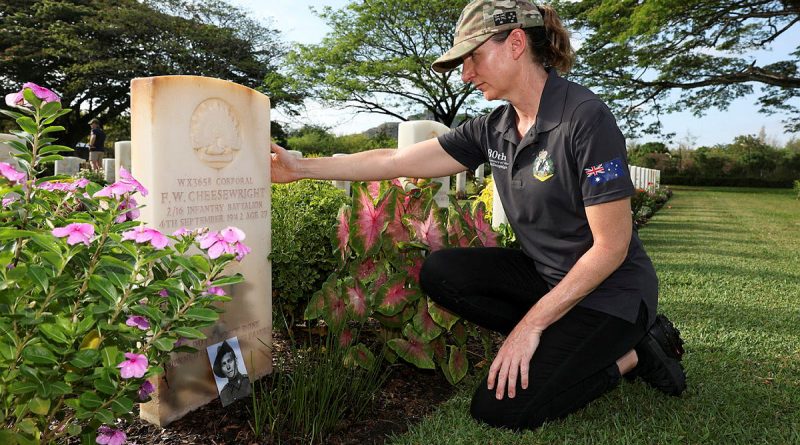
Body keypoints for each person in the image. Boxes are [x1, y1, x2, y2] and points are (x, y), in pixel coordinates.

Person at [270, 0, 686, 431]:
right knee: (442, 271)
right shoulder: (494, 127)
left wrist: (530, 326)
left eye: (473, 57)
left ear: (516, 43)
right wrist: (299, 168)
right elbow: (395, 160)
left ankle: (638, 351)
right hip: (549, 278)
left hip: (610, 295)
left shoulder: (584, 119)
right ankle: (560, 337)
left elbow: (612, 247)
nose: (466, 73)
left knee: (501, 409)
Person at [212, 340, 251, 406]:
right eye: (224, 364)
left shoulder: (249, 380)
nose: (228, 367)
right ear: (222, 370)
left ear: (235, 361)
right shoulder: (224, 393)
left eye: (229, 361)